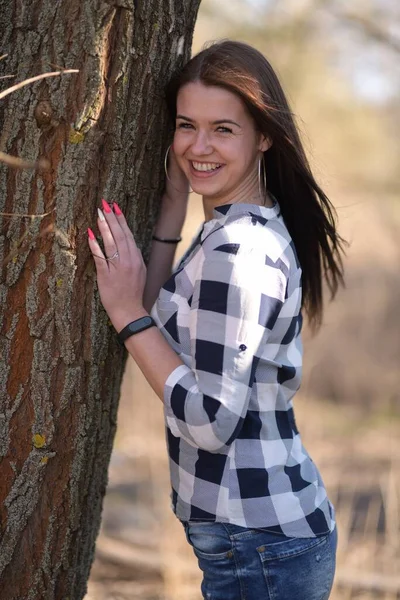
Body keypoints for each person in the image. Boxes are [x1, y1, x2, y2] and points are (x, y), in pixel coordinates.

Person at [88, 40, 345, 600]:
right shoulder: (239, 227)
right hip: (259, 533)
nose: (198, 146)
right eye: (187, 126)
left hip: (259, 543)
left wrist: (126, 312)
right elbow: (169, 321)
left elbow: (209, 421)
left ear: (265, 136)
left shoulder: (239, 255)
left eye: (223, 130)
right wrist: (172, 213)